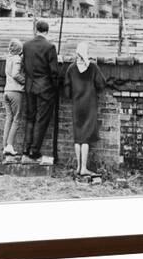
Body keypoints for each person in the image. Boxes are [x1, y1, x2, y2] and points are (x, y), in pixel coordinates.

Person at [63, 41, 106, 176]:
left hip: (77, 104)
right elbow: (101, 84)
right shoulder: (92, 67)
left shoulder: (71, 68)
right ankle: (84, 168)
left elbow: (67, 91)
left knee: (78, 136)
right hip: (90, 104)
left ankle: (78, 167)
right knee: (86, 137)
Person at [22, 20, 59, 161]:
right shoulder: (50, 47)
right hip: (44, 89)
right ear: (47, 31)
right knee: (41, 119)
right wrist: (55, 88)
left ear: (36, 30)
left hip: (29, 87)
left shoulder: (26, 46)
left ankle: (26, 148)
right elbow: (54, 72)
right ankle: (34, 151)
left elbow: (25, 66)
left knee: (30, 118)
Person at [2, 39, 25, 156]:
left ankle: (5, 146)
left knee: (9, 118)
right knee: (16, 119)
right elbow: (16, 74)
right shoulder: (17, 59)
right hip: (15, 91)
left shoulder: (8, 58)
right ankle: (10, 145)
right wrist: (25, 82)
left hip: (6, 91)